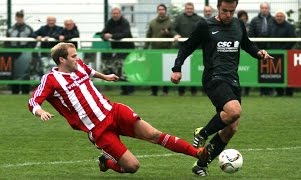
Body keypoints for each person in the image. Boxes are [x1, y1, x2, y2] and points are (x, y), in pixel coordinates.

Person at [27, 42, 210, 174]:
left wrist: (105, 76)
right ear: (62, 59)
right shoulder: (50, 80)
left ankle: (197, 153)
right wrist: (40, 111)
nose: (78, 58)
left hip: (114, 111)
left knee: (154, 134)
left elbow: (89, 71)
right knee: (132, 167)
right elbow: (33, 101)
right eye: (73, 56)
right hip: (97, 129)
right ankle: (107, 162)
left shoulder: (79, 66)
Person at [170, 0, 273, 176]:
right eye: (224, 11)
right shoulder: (205, 25)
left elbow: (247, 44)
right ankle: (202, 133)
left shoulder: (238, 24)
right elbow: (187, 46)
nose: (227, 15)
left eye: (231, 11)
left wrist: (258, 53)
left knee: (231, 129)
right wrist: (177, 68)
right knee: (234, 111)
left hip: (233, 79)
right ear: (218, 7)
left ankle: (201, 164)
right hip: (213, 78)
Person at [101, 6, 135, 95]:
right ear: (111, 14)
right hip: (117, 50)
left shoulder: (125, 22)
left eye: (117, 13)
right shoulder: (109, 22)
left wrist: (111, 36)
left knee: (128, 69)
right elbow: (102, 33)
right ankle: (124, 89)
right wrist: (104, 36)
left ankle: (130, 89)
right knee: (119, 69)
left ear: (120, 14)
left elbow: (125, 34)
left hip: (128, 49)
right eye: (113, 13)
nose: (115, 15)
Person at [173, 2, 202, 96]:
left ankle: (194, 90)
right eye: (187, 8)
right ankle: (181, 91)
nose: (189, 10)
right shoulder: (179, 18)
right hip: (182, 48)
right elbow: (172, 28)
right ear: (185, 9)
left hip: (195, 48)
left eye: (191, 8)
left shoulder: (199, 19)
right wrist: (175, 34)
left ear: (193, 9)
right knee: (181, 69)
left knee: (194, 70)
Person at [145, 4, 174, 96]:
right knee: (154, 71)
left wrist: (168, 33)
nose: (161, 11)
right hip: (154, 50)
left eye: (162, 9)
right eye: (159, 9)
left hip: (166, 50)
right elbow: (148, 35)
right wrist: (145, 48)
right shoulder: (152, 22)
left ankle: (165, 91)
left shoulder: (171, 22)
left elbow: (174, 34)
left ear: (165, 11)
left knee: (166, 72)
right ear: (157, 11)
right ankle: (154, 91)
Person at [5, 10, 35, 94]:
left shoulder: (28, 29)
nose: (19, 19)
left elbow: (33, 41)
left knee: (25, 72)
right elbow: (7, 42)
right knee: (14, 73)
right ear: (15, 18)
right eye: (18, 17)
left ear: (23, 18)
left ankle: (25, 92)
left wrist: (27, 51)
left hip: (24, 52)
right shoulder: (10, 29)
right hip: (13, 53)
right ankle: (15, 92)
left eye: (21, 17)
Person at [248, 2, 274, 96]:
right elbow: (251, 34)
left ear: (268, 9)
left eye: (266, 8)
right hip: (258, 49)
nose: (264, 9)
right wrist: (255, 48)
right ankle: (262, 91)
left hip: (271, 48)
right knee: (260, 71)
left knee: (271, 71)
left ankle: (270, 90)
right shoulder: (254, 20)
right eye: (262, 8)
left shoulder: (274, 20)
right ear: (260, 9)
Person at [270, 9, 296, 97]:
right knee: (277, 74)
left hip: (287, 53)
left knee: (289, 73)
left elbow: (292, 40)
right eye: (277, 16)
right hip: (275, 54)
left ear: (284, 17)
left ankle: (289, 92)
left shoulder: (290, 27)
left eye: (281, 16)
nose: (279, 18)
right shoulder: (271, 26)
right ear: (275, 17)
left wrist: (283, 49)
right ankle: (279, 92)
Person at [237, 10, 251, 96]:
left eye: (244, 16)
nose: (243, 18)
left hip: (247, 52)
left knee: (248, 73)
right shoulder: (235, 25)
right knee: (239, 73)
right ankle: (239, 89)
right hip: (238, 50)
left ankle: (247, 90)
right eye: (241, 16)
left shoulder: (250, 25)